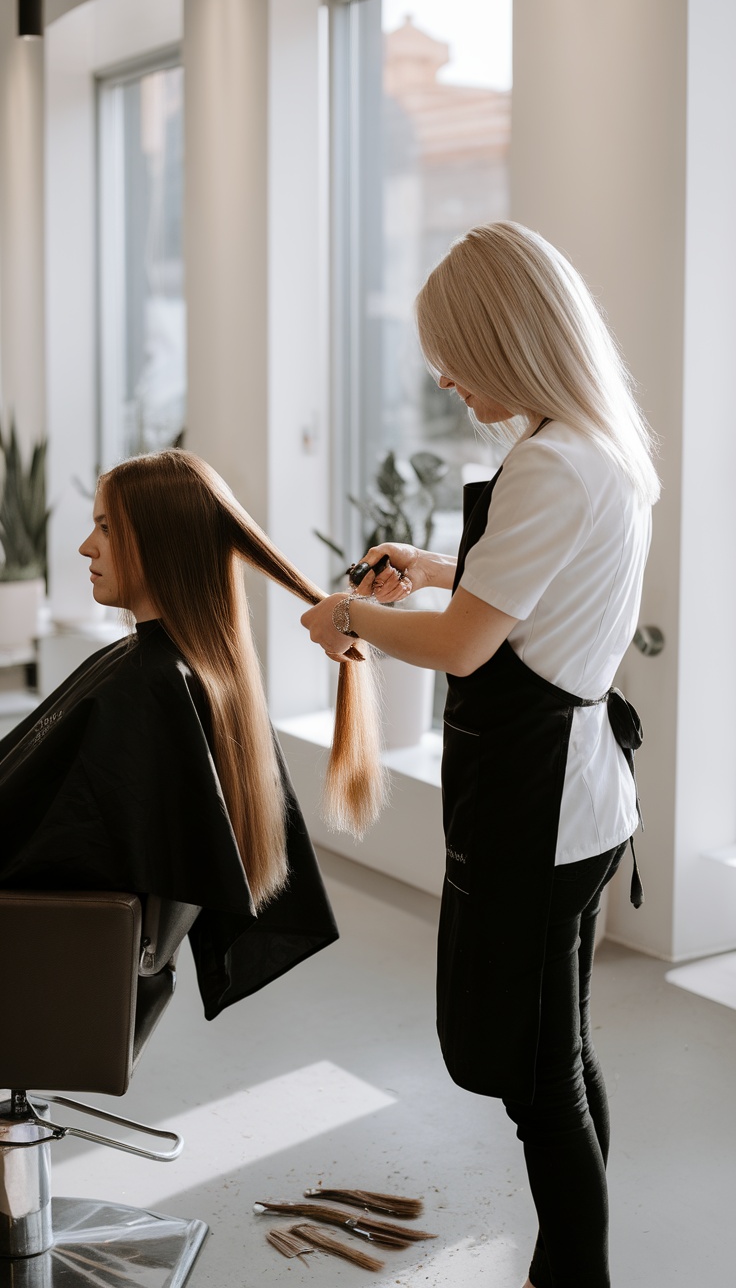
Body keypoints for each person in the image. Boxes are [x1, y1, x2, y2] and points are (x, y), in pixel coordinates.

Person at [301, 221, 659, 1288]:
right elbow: (518, 594)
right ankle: (569, 1254)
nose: (446, 378)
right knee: (562, 1052)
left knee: (535, 1078)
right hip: (584, 803)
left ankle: (573, 1274)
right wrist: (430, 563)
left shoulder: (549, 462)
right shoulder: (593, 449)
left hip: (542, 810)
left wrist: (351, 622)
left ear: (511, 338)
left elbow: (466, 644)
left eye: (456, 354)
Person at [0, 449, 386, 1017]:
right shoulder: (197, 672)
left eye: (106, 528)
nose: (87, 546)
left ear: (161, 540)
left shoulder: (147, 684)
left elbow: (63, 842)